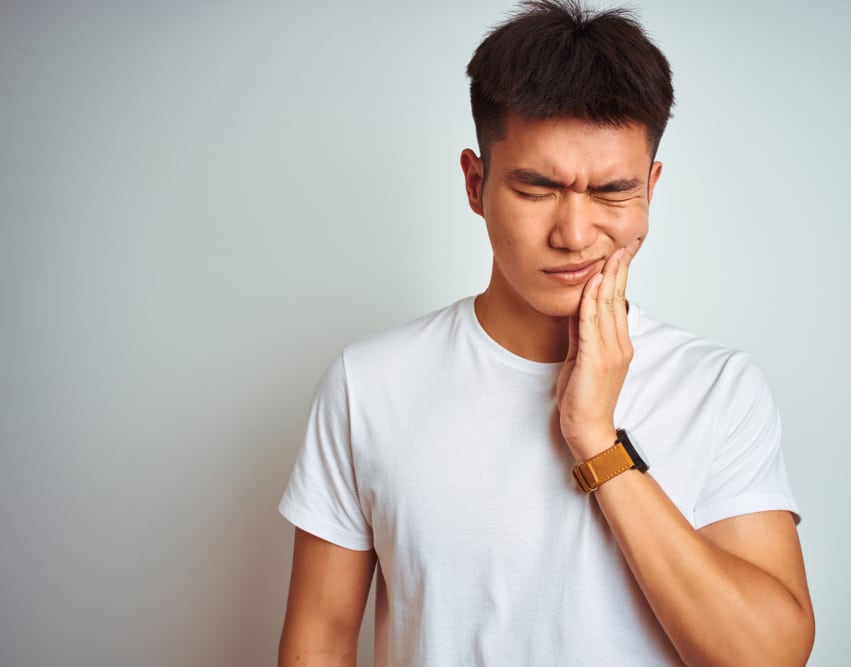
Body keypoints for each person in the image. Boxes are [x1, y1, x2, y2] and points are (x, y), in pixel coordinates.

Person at [277, 1, 815, 665]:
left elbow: (770, 656)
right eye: (537, 190)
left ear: (651, 189)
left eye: (612, 192)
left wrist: (597, 440)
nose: (575, 234)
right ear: (476, 183)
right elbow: (320, 644)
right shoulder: (369, 383)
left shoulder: (719, 388)